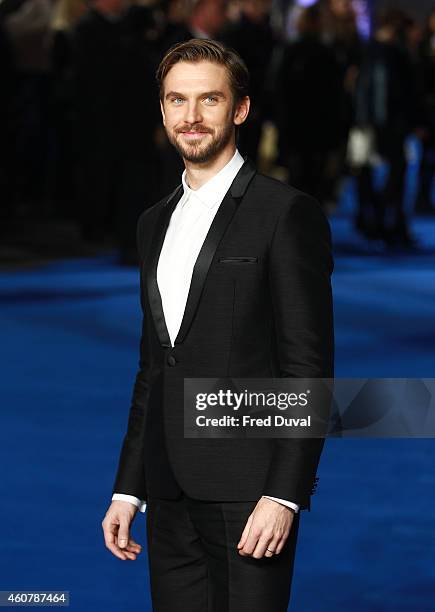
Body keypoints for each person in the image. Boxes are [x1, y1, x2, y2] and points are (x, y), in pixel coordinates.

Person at [102, 38, 334, 611]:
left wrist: (284, 494)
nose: (191, 117)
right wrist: (128, 487)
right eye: (177, 101)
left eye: (209, 100)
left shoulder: (285, 213)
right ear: (161, 109)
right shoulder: (152, 223)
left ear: (240, 109)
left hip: (249, 491)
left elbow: (308, 368)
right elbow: (154, 365)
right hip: (167, 489)